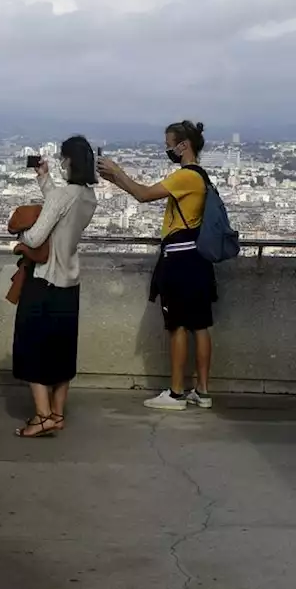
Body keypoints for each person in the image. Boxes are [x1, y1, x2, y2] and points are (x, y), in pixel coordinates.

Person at [99, 121, 215, 411]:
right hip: (198, 259)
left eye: (169, 144)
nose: (167, 149)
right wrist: (115, 180)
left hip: (179, 260)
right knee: (200, 326)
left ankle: (176, 393)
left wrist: (117, 171)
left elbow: (143, 194)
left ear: (183, 145)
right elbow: (140, 192)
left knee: (176, 325)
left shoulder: (185, 177)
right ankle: (202, 391)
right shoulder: (201, 176)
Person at [12, 135, 99, 438]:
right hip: (69, 282)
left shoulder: (64, 196)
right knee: (62, 352)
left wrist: (20, 239)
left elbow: (36, 238)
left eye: (63, 158)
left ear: (70, 161)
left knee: (32, 347)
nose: (61, 162)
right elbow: (62, 208)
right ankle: (58, 415)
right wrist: (44, 178)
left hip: (45, 281)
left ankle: (42, 416)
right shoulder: (89, 197)